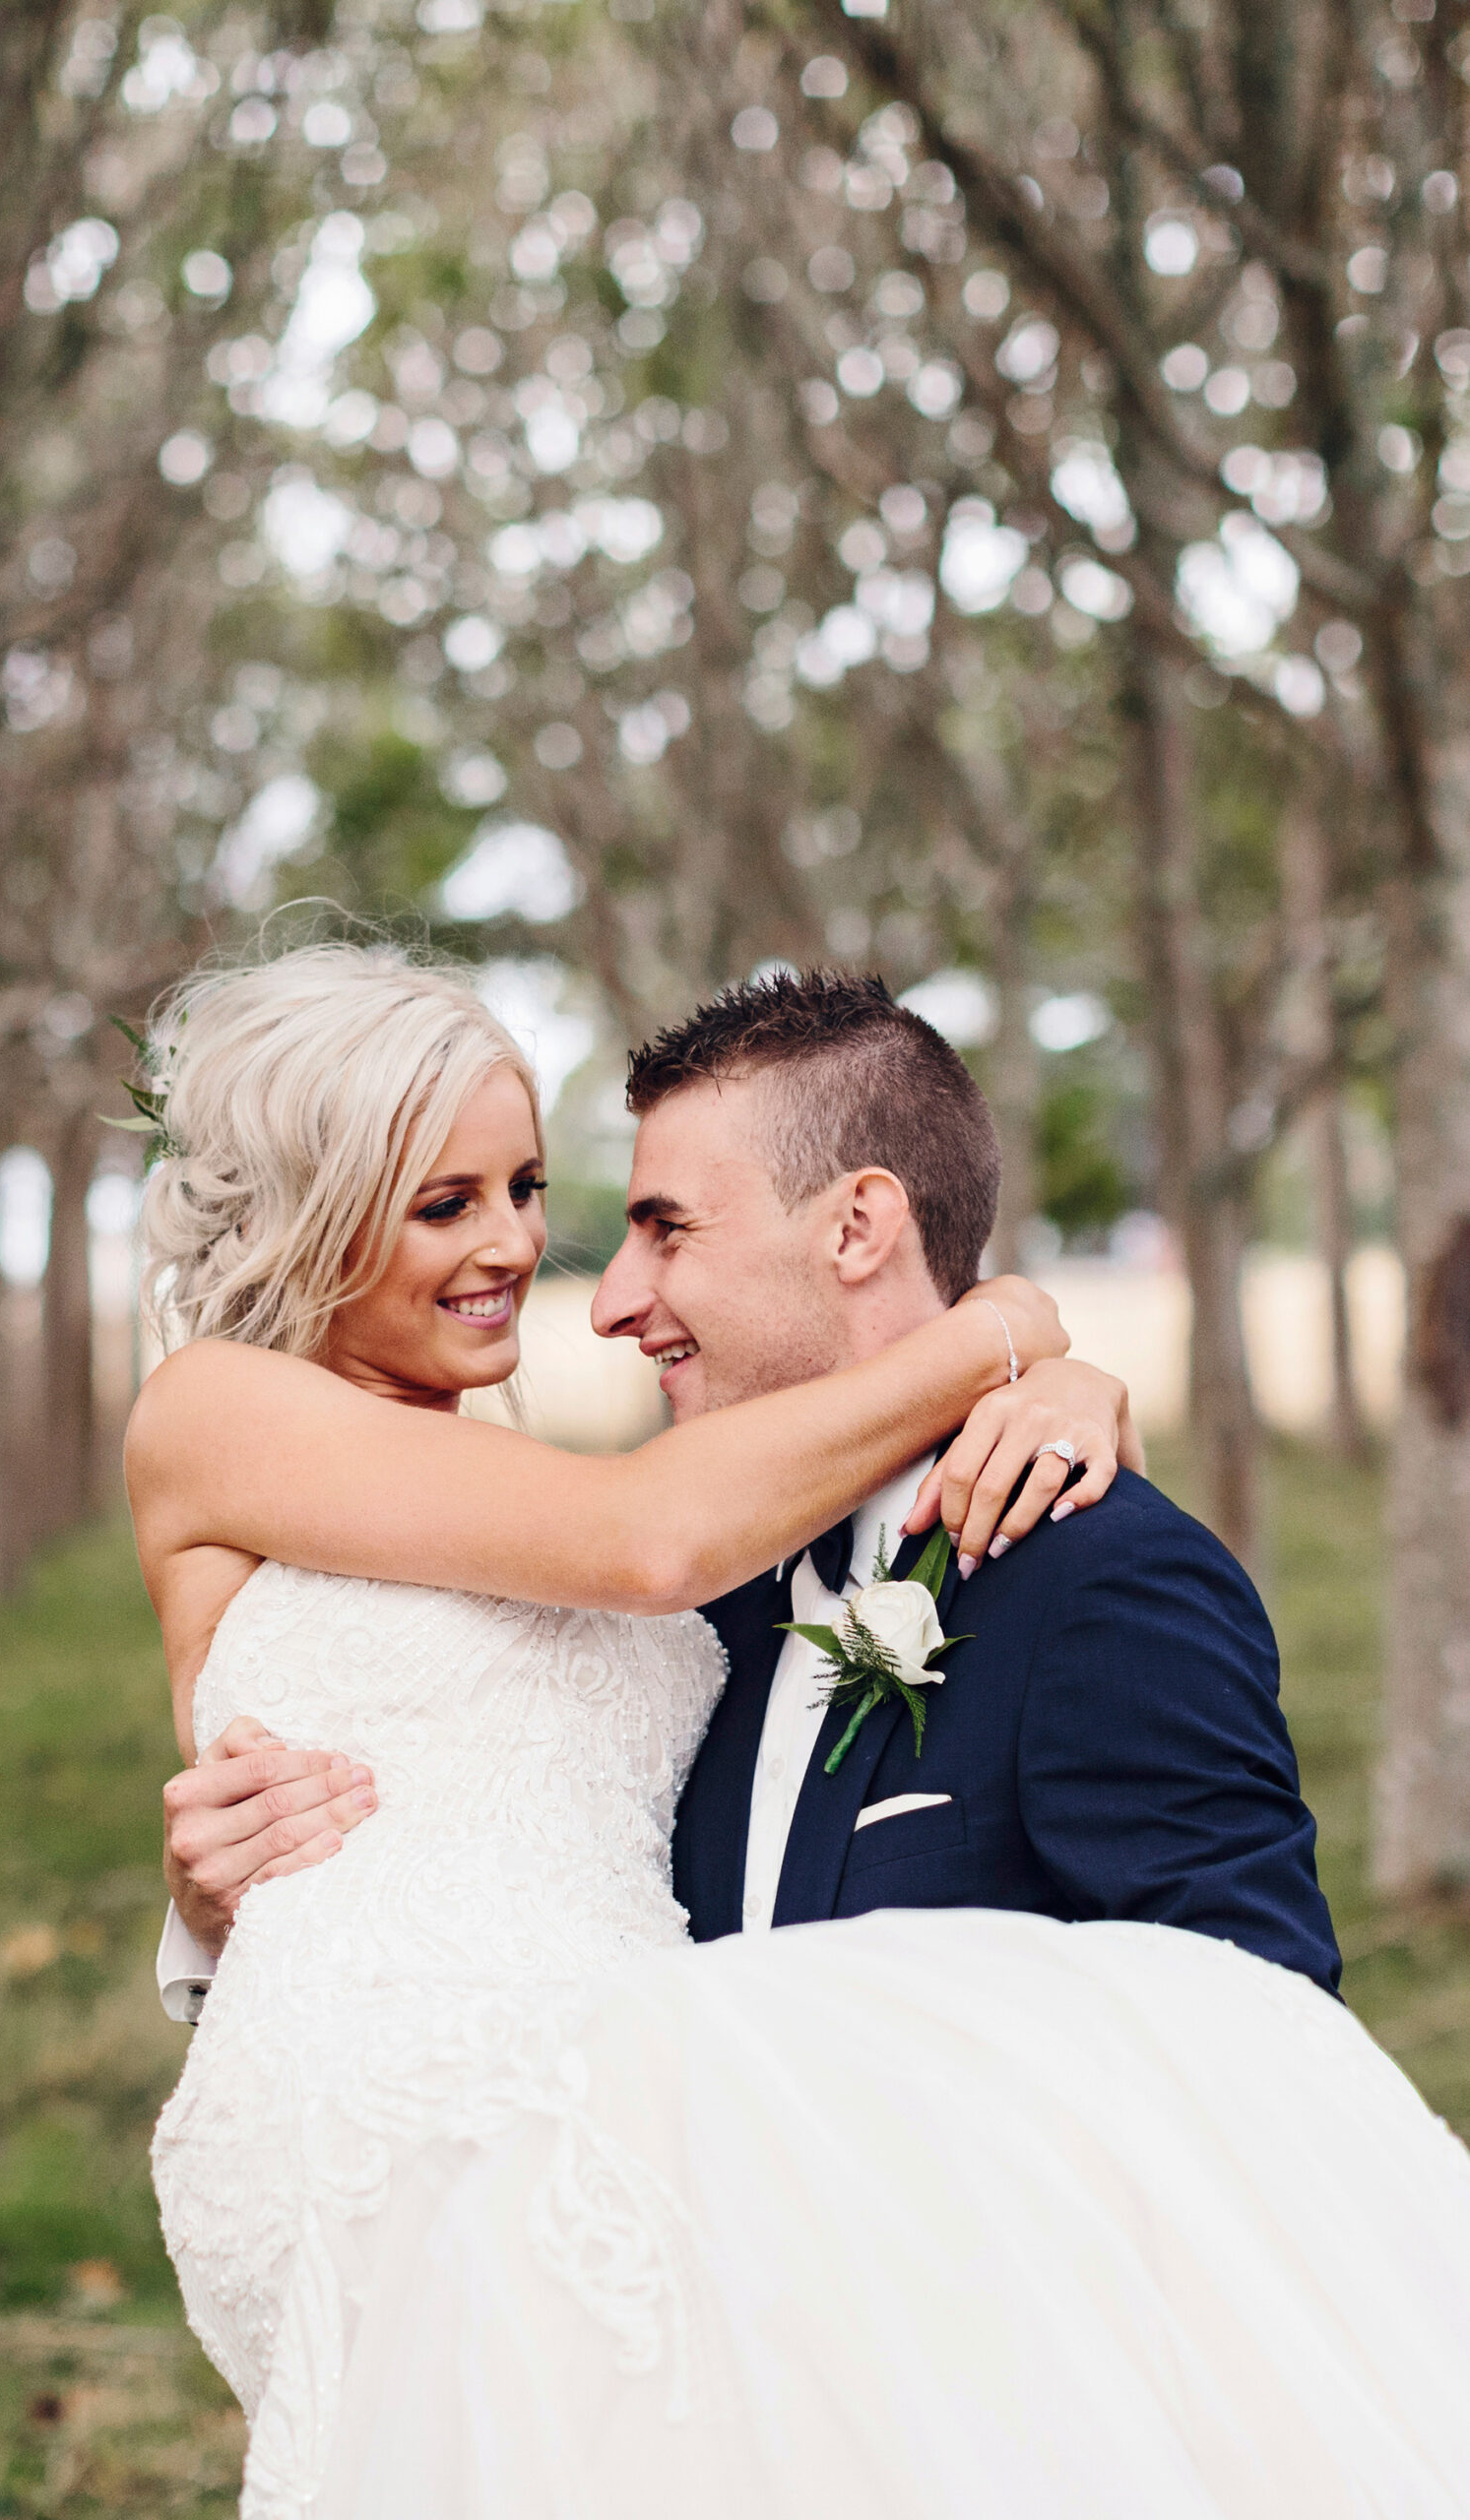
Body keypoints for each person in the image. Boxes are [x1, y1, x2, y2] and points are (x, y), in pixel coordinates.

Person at [131, 946, 1470, 2520]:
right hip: (450, 2150)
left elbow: (1257, 2048)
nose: (549, 1263)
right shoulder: (242, 1413)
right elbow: (642, 1548)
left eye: (551, 1197)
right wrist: (1005, 1332)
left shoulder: (1077, 1581)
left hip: (762, 2265)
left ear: (857, 1226)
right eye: (448, 1203)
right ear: (318, 1208)